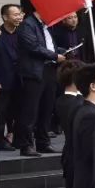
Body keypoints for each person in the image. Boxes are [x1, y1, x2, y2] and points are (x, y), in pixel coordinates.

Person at [15, 9, 66, 157]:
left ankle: (43, 143)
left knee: (46, 108)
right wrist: (55, 55)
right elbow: (33, 47)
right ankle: (26, 145)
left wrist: (61, 52)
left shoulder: (46, 27)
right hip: (34, 72)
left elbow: (49, 46)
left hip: (49, 70)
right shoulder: (28, 25)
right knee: (30, 110)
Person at [0, 4, 22, 152]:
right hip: (3, 80)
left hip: (20, 79)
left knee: (17, 111)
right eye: (15, 14)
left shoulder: (22, 34)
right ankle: (0, 140)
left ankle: (13, 137)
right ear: (5, 17)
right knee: (1, 112)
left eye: (20, 14)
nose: (19, 17)